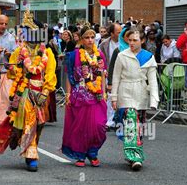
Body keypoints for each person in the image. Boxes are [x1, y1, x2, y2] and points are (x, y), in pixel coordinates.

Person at [0, 12, 57, 172]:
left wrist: (46, 92)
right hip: (25, 92)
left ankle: (27, 144)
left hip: (41, 93)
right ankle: (31, 155)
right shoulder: (20, 51)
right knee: (30, 121)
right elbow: (13, 73)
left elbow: (51, 73)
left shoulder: (47, 53)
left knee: (39, 124)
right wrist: (14, 67)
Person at [111, 29, 159, 171]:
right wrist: (114, 97)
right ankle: (134, 157)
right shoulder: (121, 55)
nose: (131, 43)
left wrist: (154, 101)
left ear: (142, 41)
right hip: (125, 92)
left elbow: (153, 81)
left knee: (138, 125)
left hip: (141, 93)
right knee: (131, 120)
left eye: (135, 40)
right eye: (129, 40)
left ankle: (132, 153)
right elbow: (116, 77)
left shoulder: (149, 57)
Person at [62, 24, 107, 167]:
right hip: (80, 95)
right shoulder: (74, 55)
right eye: (87, 37)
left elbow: (103, 75)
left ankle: (93, 152)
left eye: (92, 37)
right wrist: (68, 94)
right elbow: (69, 76)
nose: (90, 40)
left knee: (99, 125)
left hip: (96, 95)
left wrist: (104, 92)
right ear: (81, 39)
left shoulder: (99, 55)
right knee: (81, 127)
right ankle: (80, 155)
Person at [99, 22, 122, 130]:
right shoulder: (104, 44)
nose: (120, 34)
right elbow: (101, 59)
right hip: (109, 74)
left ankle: (118, 120)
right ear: (112, 33)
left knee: (120, 97)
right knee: (110, 97)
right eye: (118, 32)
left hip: (123, 74)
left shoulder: (125, 43)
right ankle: (109, 121)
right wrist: (103, 71)